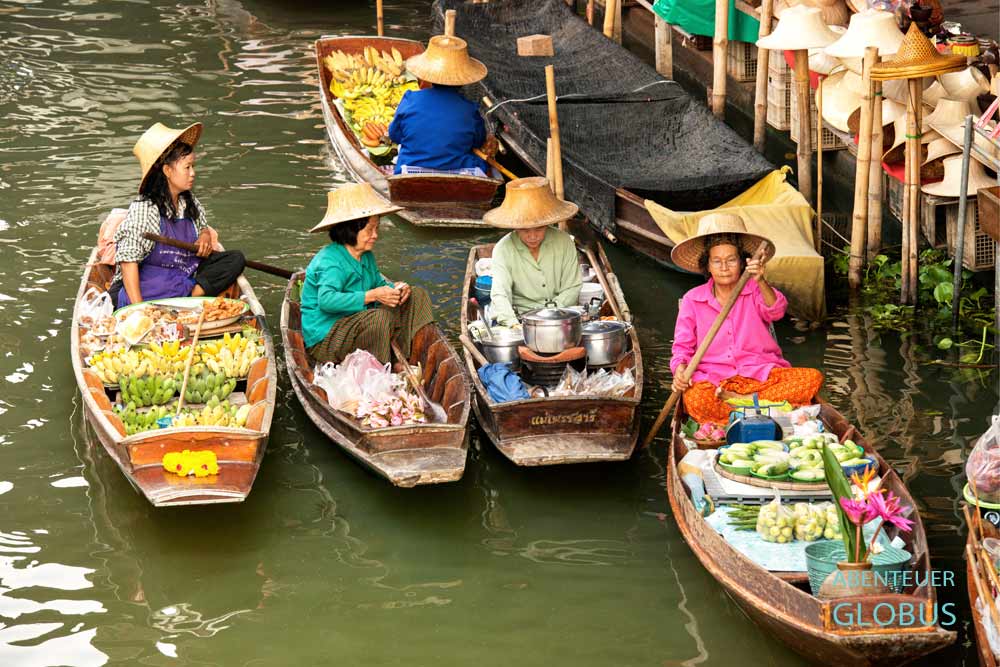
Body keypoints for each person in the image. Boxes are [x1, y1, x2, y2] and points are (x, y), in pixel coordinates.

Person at [668, 213, 823, 425]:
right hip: (715, 382)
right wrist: (680, 372)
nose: (724, 267)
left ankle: (739, 406)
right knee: (696, 398)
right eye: (717, 261)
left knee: (811, 378)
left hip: (760, 375)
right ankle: (760, 407)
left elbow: (776, 311)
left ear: (742, 262)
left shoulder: (755, 290)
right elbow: (681, 350)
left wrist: (760, 280)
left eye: (731, 260)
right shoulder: (692, 300)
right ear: (708, 265)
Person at [109, 122, 245, 308]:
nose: (193, 173)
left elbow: (202, 224)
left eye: (193, 166)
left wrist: (204, 235)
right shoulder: (146, 207)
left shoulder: (189, 201)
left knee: (235, 259)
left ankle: (187, 298)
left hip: (178, 278)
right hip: (146, 285)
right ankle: (180, 301)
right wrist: (139, 310)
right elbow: (127, 260)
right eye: (187, 167)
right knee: (157, 283)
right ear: (167, 171)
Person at [301, 183, 434, 365]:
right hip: (326, 337)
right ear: (351, 229)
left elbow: (379, 283)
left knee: (417, 295)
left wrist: (397, 289)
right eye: (370, 229)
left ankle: (405, 357)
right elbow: (327, 301)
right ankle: (379, 371)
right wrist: (372, 295)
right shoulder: (330, 261)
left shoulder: (365, 256)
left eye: (377, 228)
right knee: (379, 318)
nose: (375, 235)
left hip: (357, 322)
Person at [387, 35, 496, 176]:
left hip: (410, 170)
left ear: (430, 77)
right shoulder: (470, 109)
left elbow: (394, 135)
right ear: (462, 81)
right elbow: (477, 141)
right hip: (460, 172)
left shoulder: (410, 99)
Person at [484, 177, 582, 327]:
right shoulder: (503, 249)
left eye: (539, 228)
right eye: (524, 230)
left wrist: (550, 314)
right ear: (515, 227)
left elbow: (572, 287)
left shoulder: (564, 241)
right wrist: (513, 324)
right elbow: (500, 294)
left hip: (560, 315)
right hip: (521, 317)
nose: (532, 236)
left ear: (547, 224)